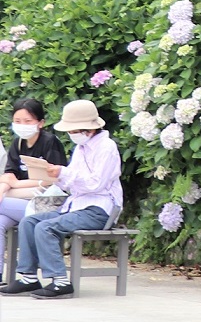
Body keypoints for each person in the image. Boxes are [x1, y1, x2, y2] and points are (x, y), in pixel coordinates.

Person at [0, 100, 124, 299]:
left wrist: (63, 173)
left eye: (73, 130)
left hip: (99, 209)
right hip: (76, 205)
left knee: (45, 227)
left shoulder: (106, 148)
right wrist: (54, 175)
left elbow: (95, 184)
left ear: (87, 129)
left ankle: (60, 281)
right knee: (29, 221)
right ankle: (28, 276)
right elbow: (69, 184)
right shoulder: (82, 149)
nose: (71, 135)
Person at [0, 97, 67, 243]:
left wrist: (16, 184)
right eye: (17, 121)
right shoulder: (17, 143)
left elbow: (54, 179)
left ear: (41, 123)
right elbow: (9, 175)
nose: (22, 125)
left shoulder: (50, 142)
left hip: (45, 202)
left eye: (28, 121)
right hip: (20, 199)